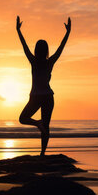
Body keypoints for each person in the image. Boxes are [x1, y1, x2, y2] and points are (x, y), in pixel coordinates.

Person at [16, 15, 71, 156]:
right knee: (45, 126)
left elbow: (24, 46)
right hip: (47, 97)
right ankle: (42, 153)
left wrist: (18, 30)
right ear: (46, 50)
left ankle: (38, 128)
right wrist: (68, 32)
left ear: (36, 50)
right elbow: (60, 48)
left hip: (36, 97)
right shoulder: (49, 62)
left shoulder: (34, 61)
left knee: (24, 119)